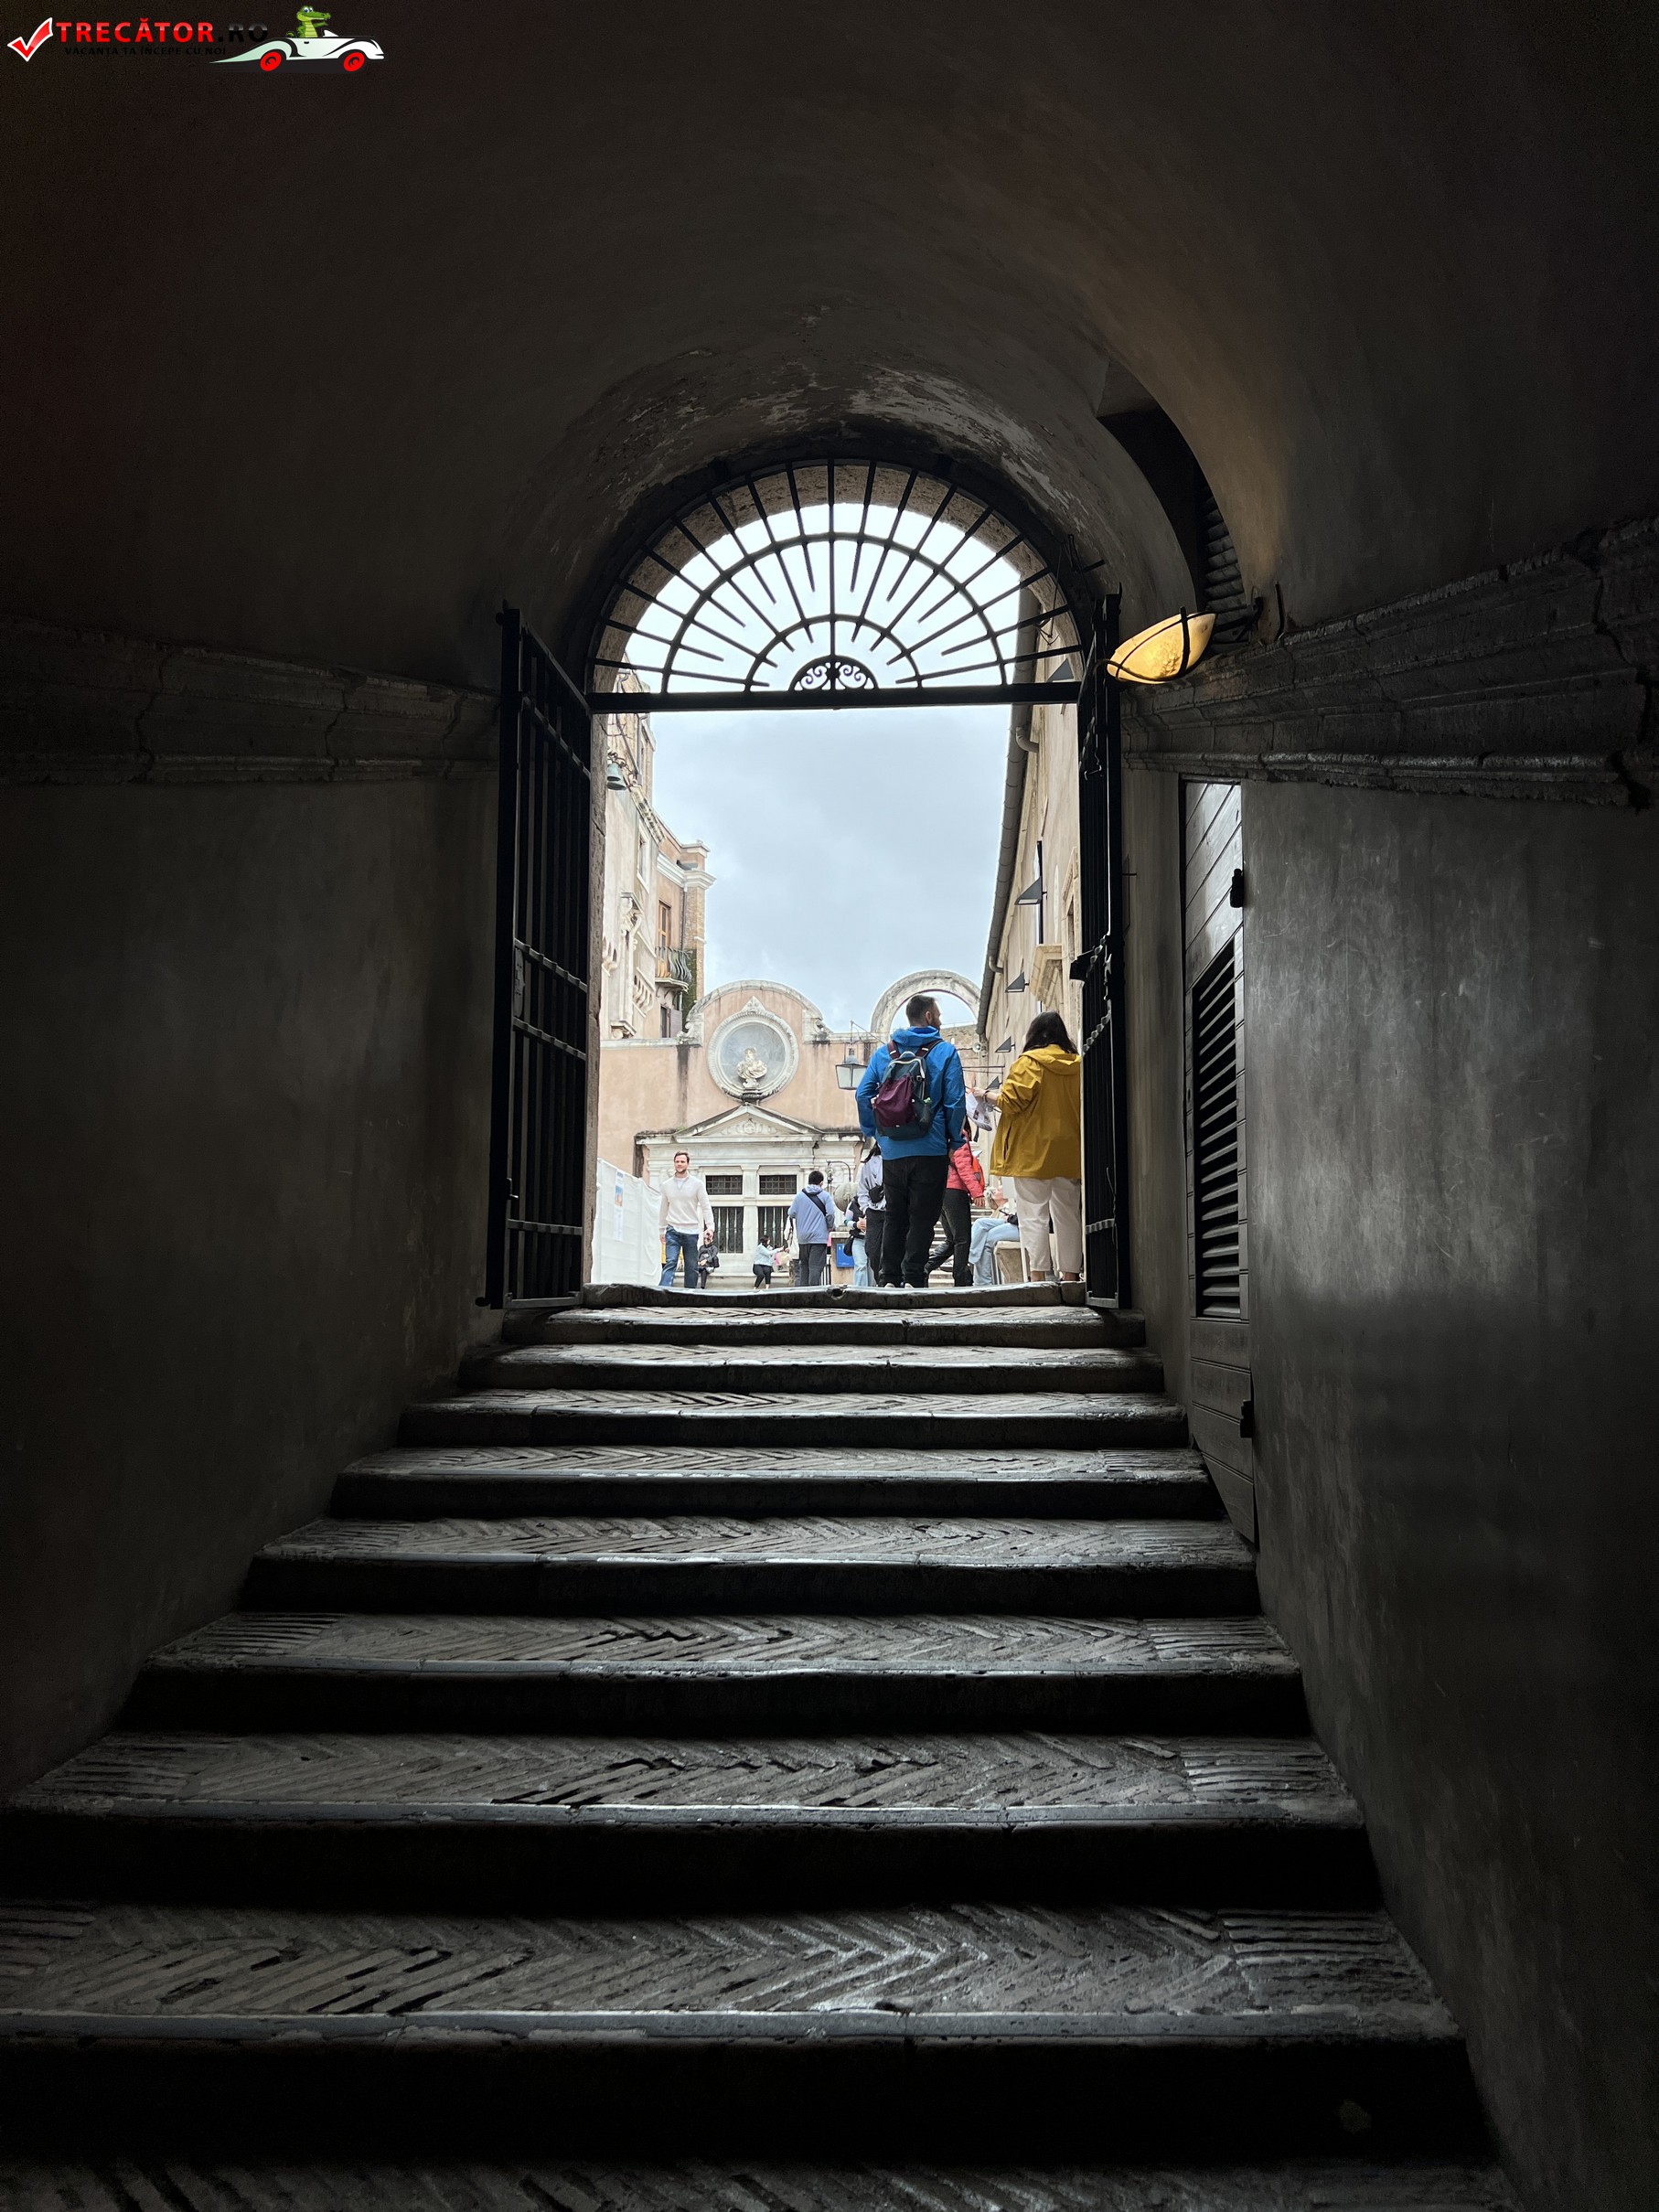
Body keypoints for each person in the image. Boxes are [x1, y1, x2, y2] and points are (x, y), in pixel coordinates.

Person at [855, 992, 967, 1288]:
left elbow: (862, 1095)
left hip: (893, 1149)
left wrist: (875, 1132)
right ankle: (913, 1277)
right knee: (923, 1216)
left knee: (895, 1213)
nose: (940, 1020)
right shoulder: (945, 1052)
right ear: (928, 1016)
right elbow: (955, 1102)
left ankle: (889, 1277)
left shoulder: (885, 1053)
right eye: (938, 1015)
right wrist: (954, 1141)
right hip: (931, 1147)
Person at [990, 1010, 1084, 1283]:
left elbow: (1011, 1101)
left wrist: (987, 1095)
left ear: (1035, 1035)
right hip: (1069, 1150)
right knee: (1068, 1214)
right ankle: (1071, 1276)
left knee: (1034, 1215)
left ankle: (1039, 1275)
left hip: (1033, 1151)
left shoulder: (1029, 1063)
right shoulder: (1077, 1065)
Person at [926, 1127, 987, 1286]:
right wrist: (976, 1192)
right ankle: (960, 1280)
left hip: (939, 1190)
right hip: (955, 1191)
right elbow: (963, 1166)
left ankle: (926, 1268)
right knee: (962, 1239)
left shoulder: (938, 1132)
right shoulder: (958, 1135)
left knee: (952, 1240)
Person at [658, 1149, 714, 1290]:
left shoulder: (697, 1184)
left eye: (682, 1161)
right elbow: (663, 1208)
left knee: (691, 1266)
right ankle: (663, 1292)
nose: (679, 1164)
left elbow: (706, 1206)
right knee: (670, 1262)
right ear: (674, 1163)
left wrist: (710, 1227)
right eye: (677, 1161)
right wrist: (661, 1230)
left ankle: (689, 1294)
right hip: (672, 1229)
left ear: (688, 1164)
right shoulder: (667, 1185)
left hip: (691, 1231)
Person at [787, 1169, 836, 1287]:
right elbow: (830, 1214)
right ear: (821, 1183)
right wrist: (830, 1227)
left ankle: (804, 1293)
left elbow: (791, 1213)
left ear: (809, 1181)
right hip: (819, 1239)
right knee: (815, 1268)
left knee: (804, 1267)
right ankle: (814, 1293)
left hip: (803, 1239)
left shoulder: (799, 1196)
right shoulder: (825, 1196)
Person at [970, 1188, 1022, 1285]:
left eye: (998, 1190)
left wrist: (1010, 1218)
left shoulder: (1010, 1204)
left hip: (1019, 1226)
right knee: (981, 1226)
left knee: (984, 1234)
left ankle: (981, 1280)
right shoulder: (1004, 1207)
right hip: (1015, 1223)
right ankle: (971, 1259)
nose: (995, 1191)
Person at [854, 1140, 886, 1285]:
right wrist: (866, 1209)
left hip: (893, 1211)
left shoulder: (899, 1159)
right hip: (874, 1212)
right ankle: (880, 1278)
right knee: (872, 1250)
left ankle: (887, 1279)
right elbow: (862, 1190)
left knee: (889, 1249)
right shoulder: (869, 1164)